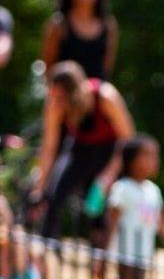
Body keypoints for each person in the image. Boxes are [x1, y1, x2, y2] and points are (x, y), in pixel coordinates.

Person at [33, 61, 134, 240]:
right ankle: (48, 249)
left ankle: (99, 256)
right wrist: (39, 187)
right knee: (53, 197)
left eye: (62, 99)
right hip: (79, 149)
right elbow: (49, 147)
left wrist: (108, 175)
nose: (58, 104)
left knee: (98, 211)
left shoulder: (105, 96)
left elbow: (127, 138)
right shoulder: (55, 103)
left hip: (110, 152)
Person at [106, 135, 164, 279]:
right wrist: (103, 258)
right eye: (148, 155)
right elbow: (111, 224)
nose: (155, 160)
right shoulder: (123, 188)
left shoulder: (153, 191)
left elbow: (162, 225)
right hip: (125, 256)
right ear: (132, 160)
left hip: (144, 257)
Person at [41, 0, 118, 81]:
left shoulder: (108, 25)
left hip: (96, 90)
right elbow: (49, 67)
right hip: (65, 92)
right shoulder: (58, 25)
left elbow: (107, 67)